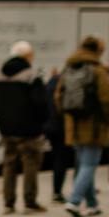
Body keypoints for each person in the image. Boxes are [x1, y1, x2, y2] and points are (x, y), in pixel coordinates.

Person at [0, 40, 50, 214]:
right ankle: (29, 201)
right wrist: (41, 122)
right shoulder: (31, 76)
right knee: (30, 164)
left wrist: (2, 111)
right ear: (27, 56)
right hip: (29, 128)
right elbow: (40, 103)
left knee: (9, 163)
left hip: (6, 127)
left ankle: (8, 203)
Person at [55, 36, 109, 217]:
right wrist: (108, 120)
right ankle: (74, 201)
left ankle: (92, 204)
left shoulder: (69, 69)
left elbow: (58, 96)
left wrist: (67, 115)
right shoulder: (98, 71)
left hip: (73, 124)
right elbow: (108, 100)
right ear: (97, 51)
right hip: (94, 125)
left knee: (84, 164)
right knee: (90, 164)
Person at [43, 67, 73, 204]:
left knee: (57, 156)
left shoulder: (51, 82)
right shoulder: (68, 84)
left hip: (49, 126)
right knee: (62, 158)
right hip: (61, 126)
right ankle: (57, 191)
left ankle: (57, 190)